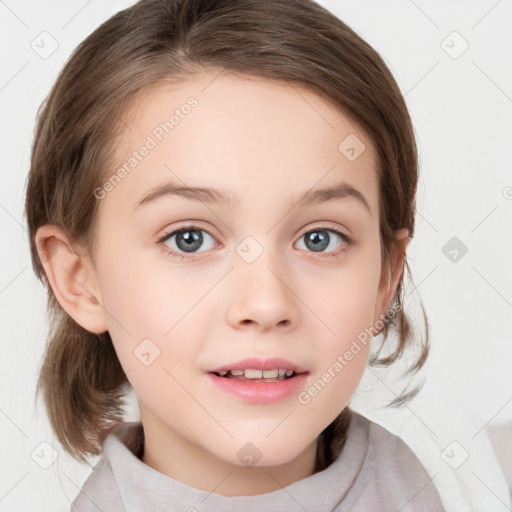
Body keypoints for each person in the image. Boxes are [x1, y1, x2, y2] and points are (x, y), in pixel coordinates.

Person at [24, 0, 445, 510]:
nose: (266, 304)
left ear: (385, 279)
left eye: (320, 238)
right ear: (78, 278)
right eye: (189, 239)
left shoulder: (417, 484)